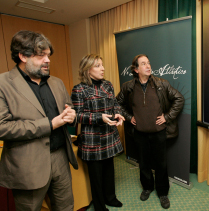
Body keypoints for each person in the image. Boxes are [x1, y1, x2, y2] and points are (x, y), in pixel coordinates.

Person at [0, 30, 78, 211]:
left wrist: (72, 115)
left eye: (48, 55)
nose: (48, 60)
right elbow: (2, 127)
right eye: (41, 55)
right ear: (22, 56)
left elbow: (69, 108)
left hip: (60, 158)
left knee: (66, 207)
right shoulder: (3, 84)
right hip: (28, 164)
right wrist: (50, 125)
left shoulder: (56, 82)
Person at [116, 54, 184, 209]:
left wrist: (167, 117)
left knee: (161, 164)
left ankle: (163, 192)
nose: (148, 66)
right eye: (143, 64)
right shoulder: (128, 86)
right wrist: (128, 117)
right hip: (139, 132)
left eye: (149, 63)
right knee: (144, 163)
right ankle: (147, 187)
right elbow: (117, 103)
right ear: (136, 69)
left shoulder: (162, 84)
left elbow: (179, 99)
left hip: (159, 132)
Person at [71, 54, 125, 211]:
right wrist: (98, 117)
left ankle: (111, 197)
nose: (103, 68)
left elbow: (115, 103)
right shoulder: (79, 89)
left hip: (109, 134)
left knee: (109, 170)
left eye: (102, 65)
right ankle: (100, 207)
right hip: (92, 139)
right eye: (98, 66)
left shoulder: (107, 85)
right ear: (87, 70)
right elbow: (77, 115)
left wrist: (118, 113)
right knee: (96, 176)